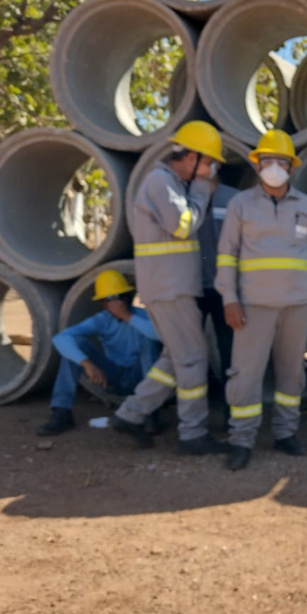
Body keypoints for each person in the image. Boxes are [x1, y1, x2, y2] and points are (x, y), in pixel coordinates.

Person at [110, 120, 231, 455]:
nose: (211, 170)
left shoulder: (170, 183)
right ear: (190, 157)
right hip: (169, 288)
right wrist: (204, 189)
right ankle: (193, 433)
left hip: (171, 286)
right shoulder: (160, 183)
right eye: (208, 163)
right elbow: (183, 225)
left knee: (173, 358)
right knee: (192, 359)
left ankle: (131, 414)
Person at [217, 130, 307, 471]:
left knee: (291, 374)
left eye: (280, 162)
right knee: (246, 376)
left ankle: (285, 433)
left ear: (291, 168)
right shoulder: (240, 205)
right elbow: (226, 255)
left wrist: (295, 282)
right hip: (252, 306)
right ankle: (241, 439)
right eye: (267, 162)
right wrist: (230, 299)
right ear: (258, 165)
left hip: (296, 305)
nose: (274, 168)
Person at [39, 270, 161, 436]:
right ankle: (62, 411)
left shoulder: (142, 316)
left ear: (128, 297)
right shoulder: (101, 320)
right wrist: (86, 363)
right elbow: (60, 338)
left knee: (149, 341)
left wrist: (126, 316)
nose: (115, 303)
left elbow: (159, 335)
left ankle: (150, 412)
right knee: (76, 343)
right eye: (109, 299)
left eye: (119, 297)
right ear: (102, 303)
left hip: (142, 376)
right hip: (114, 375)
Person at [196, 179, 242, 399]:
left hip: (225, 289)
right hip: (192, 287)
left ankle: (229, 409)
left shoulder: (234, 198)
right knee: (186, 352)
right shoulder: (183, 195)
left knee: (230, 352)